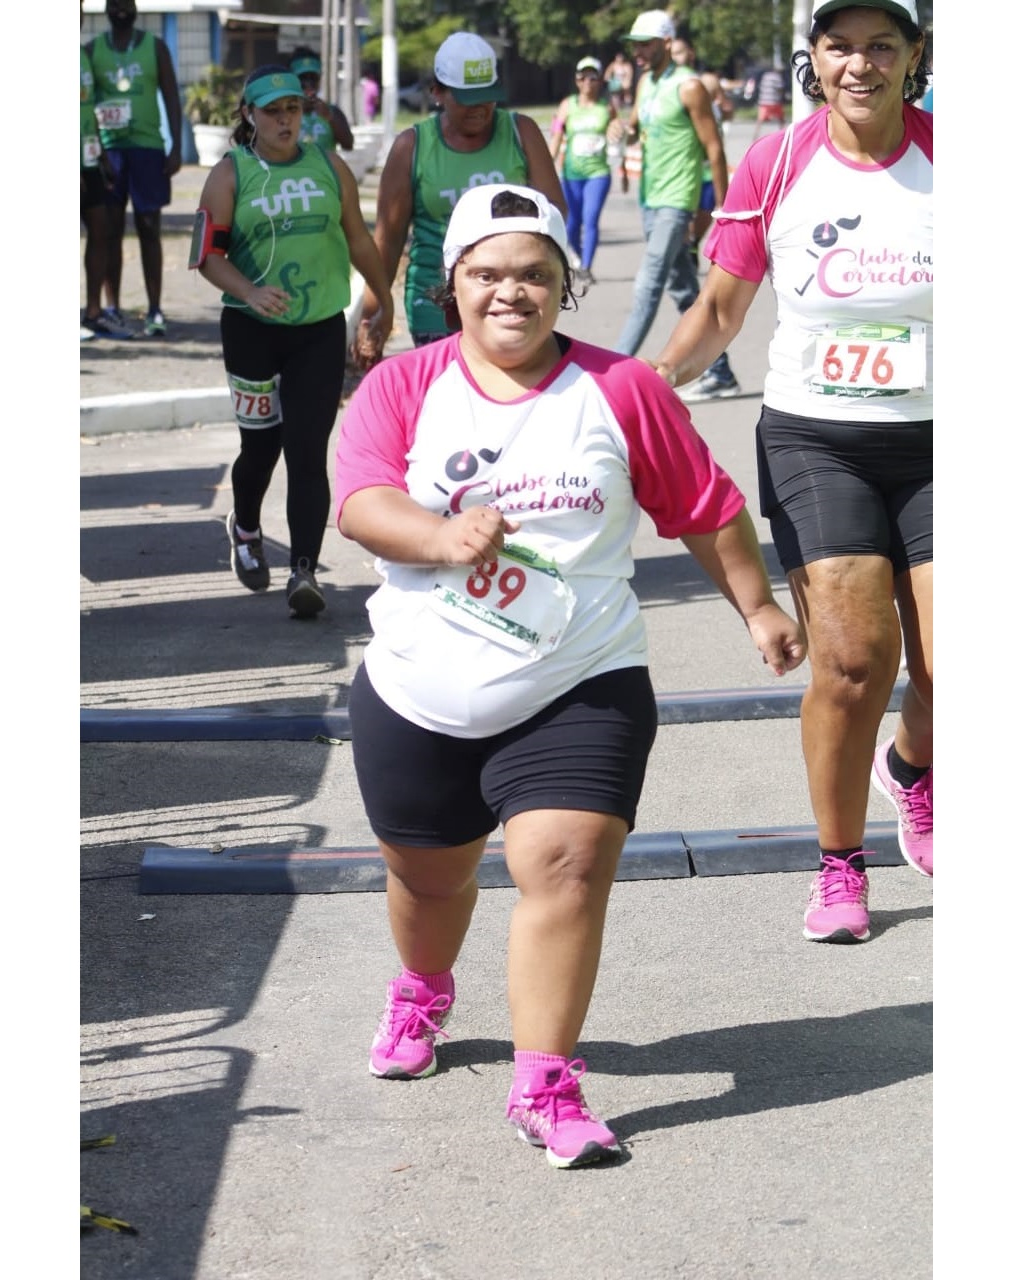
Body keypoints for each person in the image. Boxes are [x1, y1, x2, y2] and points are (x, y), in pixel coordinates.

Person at [333, 183, 803, 1169]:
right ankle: (423, 985)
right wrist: (439, 535)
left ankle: (546, 1080)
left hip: (579, 679)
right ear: (450, 283)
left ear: (565, 286)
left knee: (566, 863)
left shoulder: (622, 389)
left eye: (536, 274)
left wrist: (758, 607)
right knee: (430, 876)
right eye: (490, 274)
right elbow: (363, 501)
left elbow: (705, 507)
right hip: (421, 686)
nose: (513, 293)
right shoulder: (404, 385)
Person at [647, 0, 933, 943]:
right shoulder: (778, 162)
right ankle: (841, 864)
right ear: (812, 58)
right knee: (852, 664)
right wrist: (647, 387)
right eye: (840, 45)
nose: (862, 64)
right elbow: (722, 310)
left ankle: (912, 771)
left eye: (882, 45)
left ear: (914, 55)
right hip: (821, 440)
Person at [192, 66, 392, 618]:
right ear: (249, 116)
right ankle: (247, 526)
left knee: (308, 451)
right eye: (273, 111)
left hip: (318, 329)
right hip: (251, 330)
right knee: (261, 448)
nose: (285, 120)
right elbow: (206, 255)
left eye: (294, 110)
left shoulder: (329, 165)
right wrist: (249, 291)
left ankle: (304, 570)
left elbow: (357, 235)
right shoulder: (230, 175)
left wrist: (382, 296)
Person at [357, 32, 563, 354]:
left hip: (510, 301)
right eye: (467, 99)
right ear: (437, 92)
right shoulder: (412, 147)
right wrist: (373, 313)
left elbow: (553, 221)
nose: (480, 108)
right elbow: (388, 240)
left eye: (487, 95)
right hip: (436, 310)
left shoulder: (521, 134)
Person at [609, 11, 740, 401]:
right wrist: (622, 129)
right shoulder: (646, 83)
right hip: (649, 198)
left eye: (645, 44)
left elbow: (714, 148)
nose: (638, 53)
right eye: (634, 45)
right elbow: (636, 129)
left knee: (647, 285)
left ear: (667, 42)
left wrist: (723, 211)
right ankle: (721, 373)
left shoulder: (690, 87)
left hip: (676, 201)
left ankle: (606, 374)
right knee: (684, 290)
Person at [88, 0, 185, 339]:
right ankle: (112, 307)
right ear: (106, 10)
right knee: (108, 231)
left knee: (149, 228)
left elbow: (172, 96)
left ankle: (155, 308)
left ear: (135, 8)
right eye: (114, 4)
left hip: (148, 149)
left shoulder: (154, 47)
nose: (121, 9)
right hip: (109, 151)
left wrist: (176, 146)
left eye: (126, 3)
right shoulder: (93, 50)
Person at [81, 28, 131, 341]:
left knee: (102, 231)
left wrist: (101, 156)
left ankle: (93, 312)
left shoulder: (82, 55)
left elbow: (90, 110)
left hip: (88, 158)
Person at [549, 56, 616, 286]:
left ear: (599, 81)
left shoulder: (606, 107)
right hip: (571, 174)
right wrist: (547, 164)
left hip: (598, 173)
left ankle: (586, 266)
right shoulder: (567, 105)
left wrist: (625, 169)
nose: (587, 81)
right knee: (571, 223)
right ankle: (577, 261)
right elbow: (557, 137)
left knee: (591, 219)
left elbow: (618, 136)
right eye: (582, 76)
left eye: (592, 77)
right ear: (577, 80)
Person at [289, 48, 355, 151]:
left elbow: (348, 145)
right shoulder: (284, 114)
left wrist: (330, 117)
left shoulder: (331, 111)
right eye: (302, 78)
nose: (308, 83)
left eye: (313, 77)